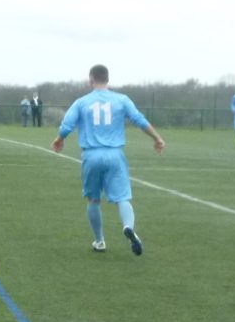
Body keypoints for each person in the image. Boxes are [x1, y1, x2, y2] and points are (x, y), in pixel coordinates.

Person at [52, 64, 165, 255]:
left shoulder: (82, 102)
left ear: (91, 79)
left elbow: (67, 125)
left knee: (93, 200)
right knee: (122, 198)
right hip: (115, 154)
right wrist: (157, 138)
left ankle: (99, 240)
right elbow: (139, 120)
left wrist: (59, 139)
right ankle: (128, 226)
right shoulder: (121, 100)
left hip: (91, 154)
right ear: (107, 79)